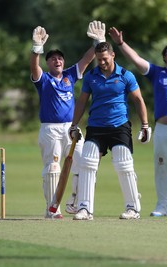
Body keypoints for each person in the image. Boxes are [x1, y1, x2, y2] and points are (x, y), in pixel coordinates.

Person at [108, 27, 167, 217]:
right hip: (162, 128)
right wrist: (120, 43)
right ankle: (163, 206)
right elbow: (136, 60)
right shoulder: (157, 73)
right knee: (162, 168)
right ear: (164, 57)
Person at [30, 21, 106, 219]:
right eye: (53, 59)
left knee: (85, 164)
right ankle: (52, 208)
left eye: (60, 59)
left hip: (71, 129)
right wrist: (37, 49)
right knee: (53, 168)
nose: (57, 61)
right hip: (50, 130)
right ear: (48, 63)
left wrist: (97, 43)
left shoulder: (70, 75)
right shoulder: (44, 80)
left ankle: (76, 202)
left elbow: (86, 60)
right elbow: (33, 66)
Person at [69, 41, 151, 221]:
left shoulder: (125, 75)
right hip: (96, 126)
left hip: (119, 125)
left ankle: (133, 208)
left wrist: (145, 125)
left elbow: (138, 99)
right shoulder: (91, 76)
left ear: (113, 55)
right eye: (99, 60)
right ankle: (85, 209)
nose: (102, 63)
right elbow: (82, 101)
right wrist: (74, 125)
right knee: (87, 163)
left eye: (105, 59)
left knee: (123, 163)